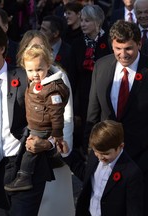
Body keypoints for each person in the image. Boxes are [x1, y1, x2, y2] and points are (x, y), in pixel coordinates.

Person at [0, 24, 56, 216]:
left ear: (2, 48)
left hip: (27, 166)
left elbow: (51, 114)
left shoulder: (25, 76)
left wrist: (47, 143)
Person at [85, 20, 148, 214]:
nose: (123, 54)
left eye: (128, 48)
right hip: (106, 157)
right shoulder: (102, 66)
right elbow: (93, 112)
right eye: (117, 48)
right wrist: (91, 149)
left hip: (141, 157)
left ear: (139, 44)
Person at [16, 30, 75, 216]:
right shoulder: (19, 77)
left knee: (54, 206)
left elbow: (66, 116)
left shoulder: (58, 77)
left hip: (51, 151)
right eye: (30, 47)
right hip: (27, 149)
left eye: (39, 47)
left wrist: (54, 144)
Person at [4, 44, 69, 191]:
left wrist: (57, 133)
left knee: (30, 151)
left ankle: (24, 177)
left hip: (43, 126)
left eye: (39, 69)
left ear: (48, 65)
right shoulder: (34, 83)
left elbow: (57, 114)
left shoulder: (52, 89)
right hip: (34, 124)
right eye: (30, 70)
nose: (35, 74)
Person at [59, 120, 144, 216]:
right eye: (96, 152)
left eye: (106, 154)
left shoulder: (131, 173)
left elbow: (134, 209)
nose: (100, 157)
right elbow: (85, 175)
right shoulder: (95, 155)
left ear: (120, 146)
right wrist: (67, 154)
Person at [71, 4, 111, 152]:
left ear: (98, 22)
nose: (82, 24)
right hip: (85, 97)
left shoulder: (109, 42)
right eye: (81, 20)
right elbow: (73, 77)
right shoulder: (77, 44)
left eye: (87, 20)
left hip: (105, 95)